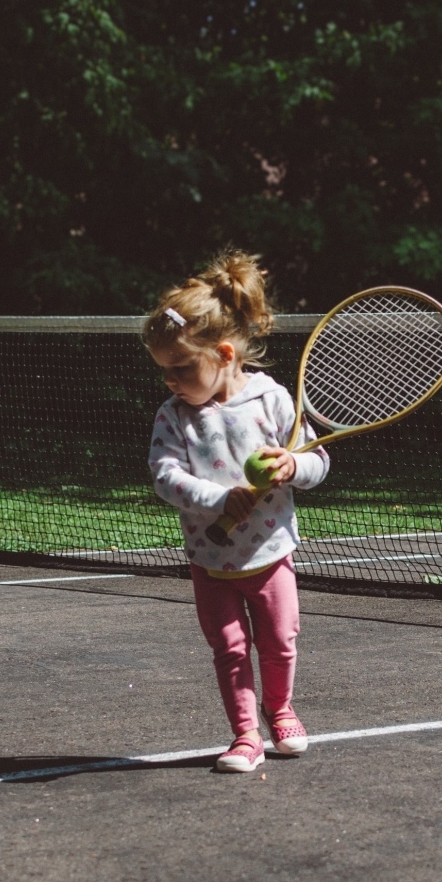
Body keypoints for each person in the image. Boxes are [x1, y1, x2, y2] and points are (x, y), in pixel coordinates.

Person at [142, 250, 329, 773]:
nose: (171, 381)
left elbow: (317, 461)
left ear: (224, 353)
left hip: (270, 554)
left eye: (181, 368)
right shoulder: (173, 416)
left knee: (281, 642)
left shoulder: (271, 401)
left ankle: (281, 709)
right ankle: (245, 734)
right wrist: (219, 500)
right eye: (164, 372)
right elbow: (165, 477)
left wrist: (293, 466)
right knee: (229, 649)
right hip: (210, 559)